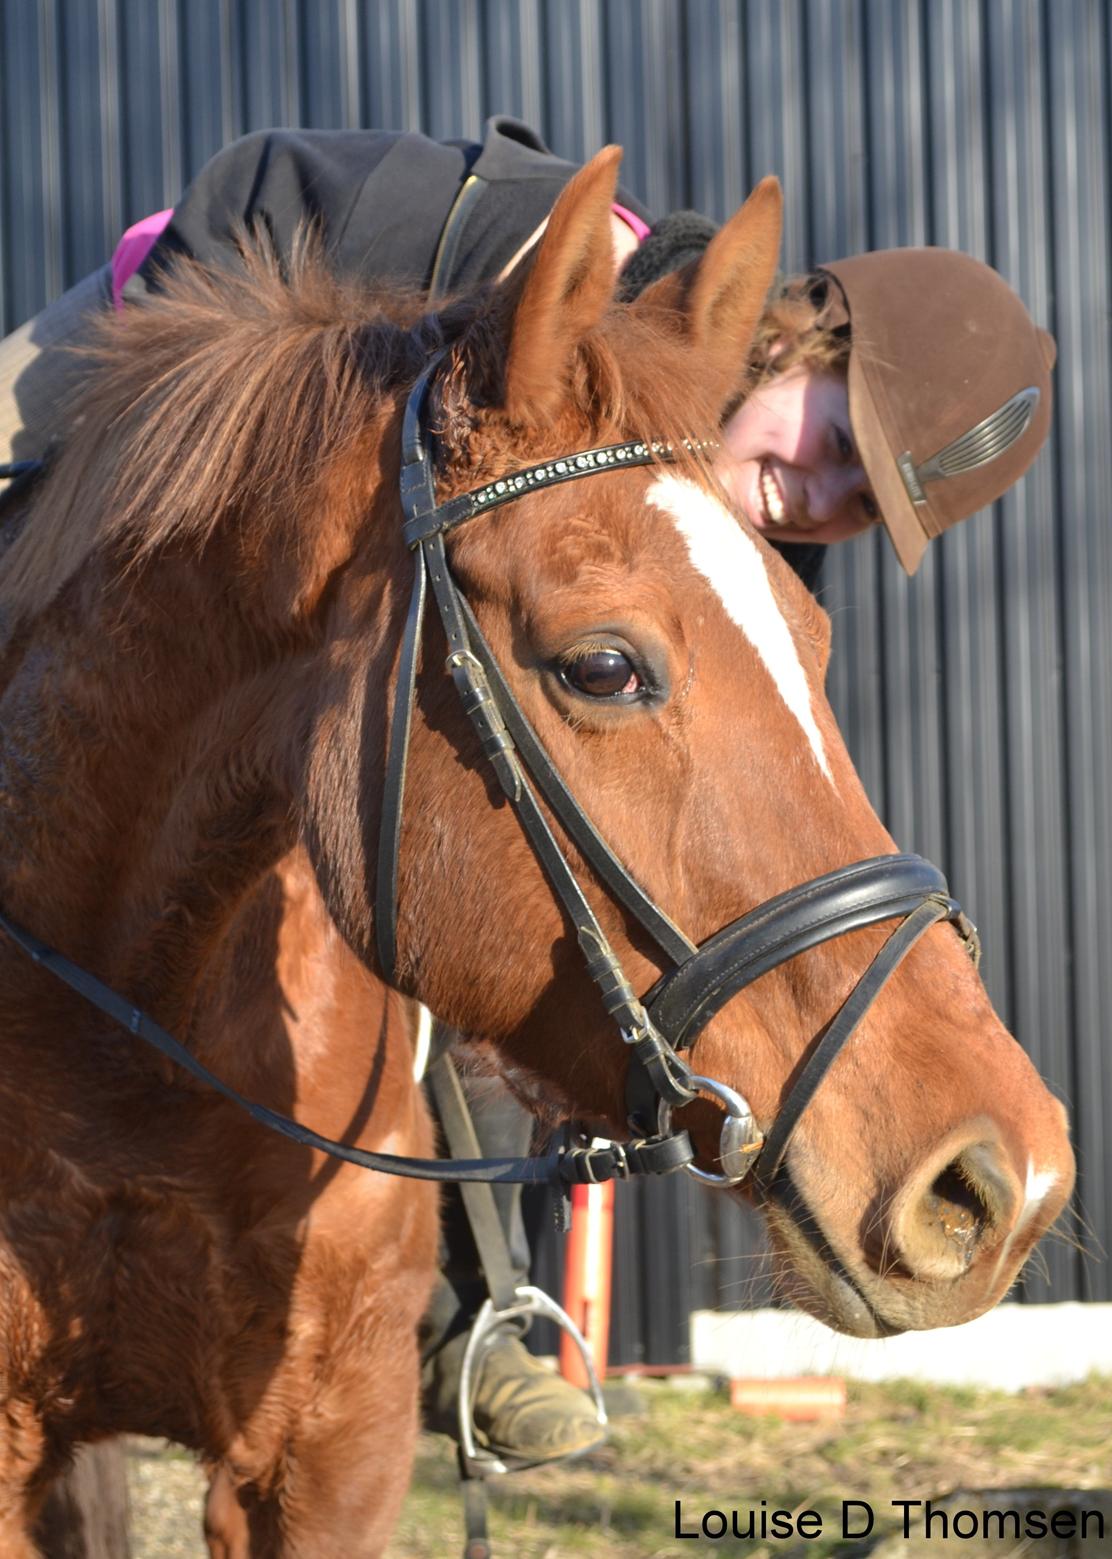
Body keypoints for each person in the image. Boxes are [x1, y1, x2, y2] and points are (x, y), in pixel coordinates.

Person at [0, 117, 1056, 1466]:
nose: (819, 496)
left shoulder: (735, 533)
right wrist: (159, 420)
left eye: (864, 506)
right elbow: (261, 181)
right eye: (840, 442)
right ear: (797, 343)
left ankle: (471, 1316)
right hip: (147, 355)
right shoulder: (529, 244)